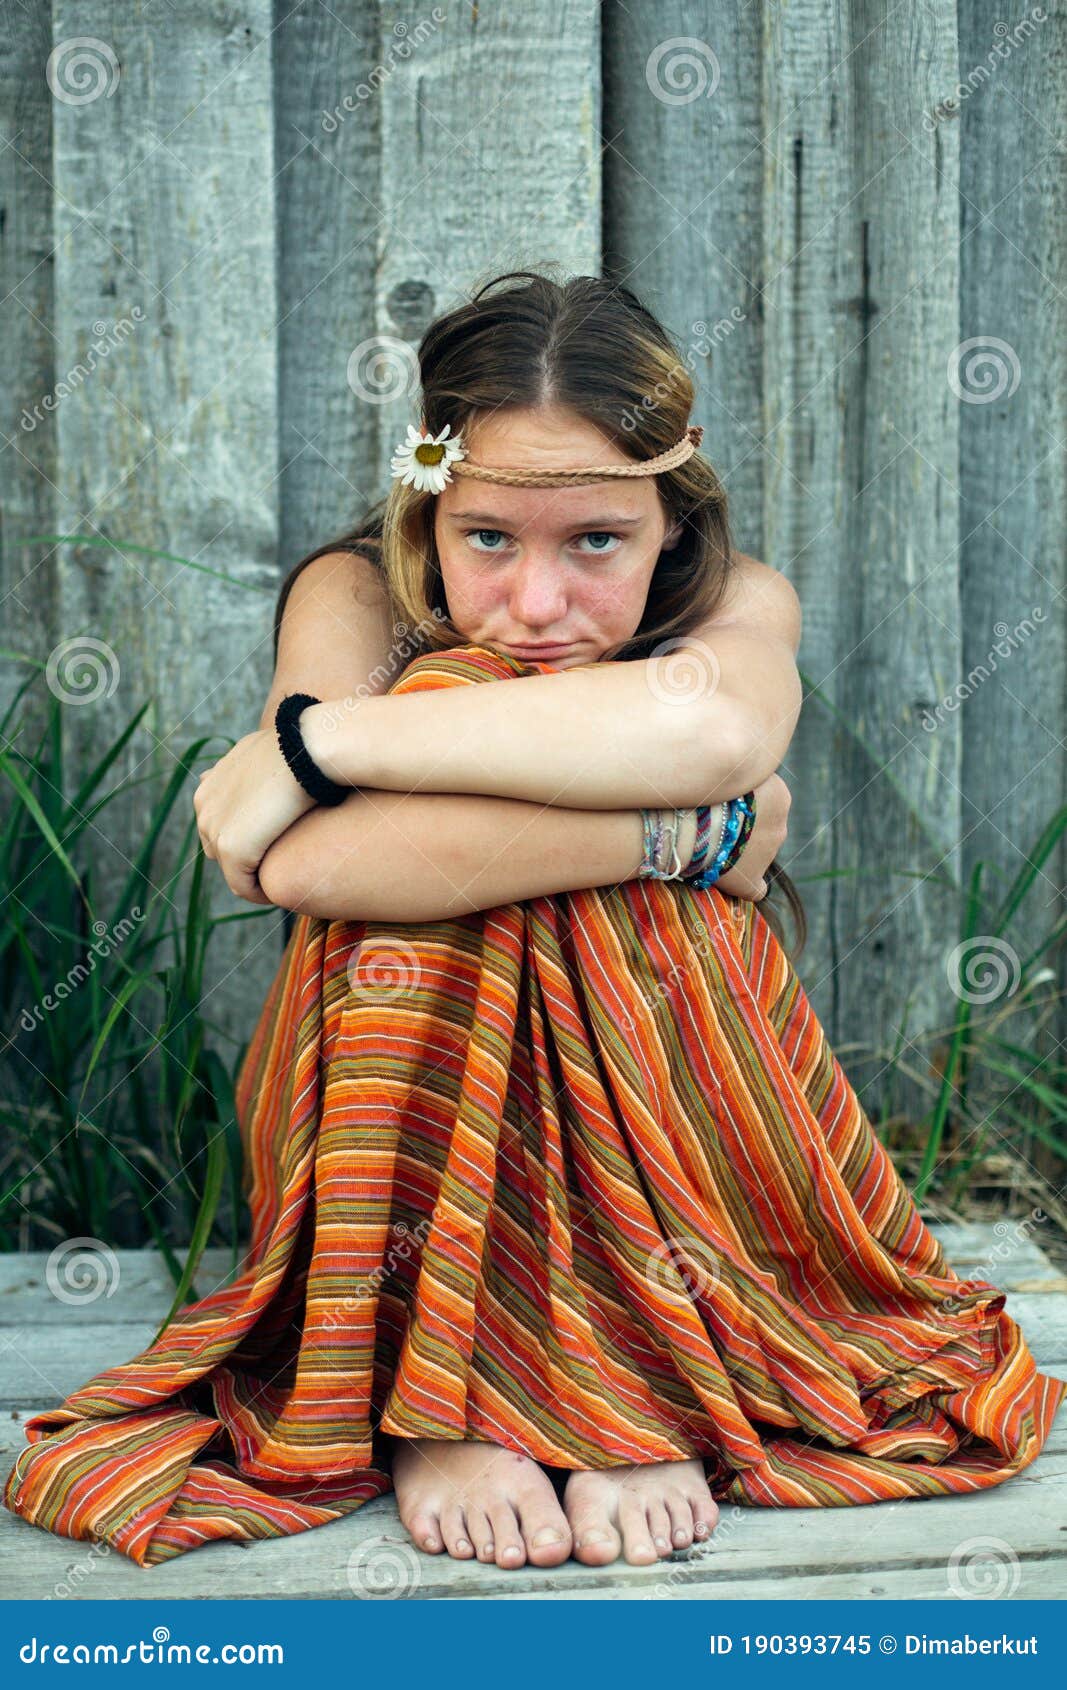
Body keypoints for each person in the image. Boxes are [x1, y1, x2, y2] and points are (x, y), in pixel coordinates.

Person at [4, 272, 1063, 1574]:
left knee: (556, 751)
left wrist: (321, 738)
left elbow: (715, 727)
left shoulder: (736, 605)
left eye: (597, 543)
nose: (539, 600)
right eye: (489, 537)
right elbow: (313, 861)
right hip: (408, 1075)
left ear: (673, 521)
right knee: (471, 715)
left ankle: (638, 1362)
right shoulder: (359, 599)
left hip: (680, 1101)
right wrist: (684, 837)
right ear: (428, 497)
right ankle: (435, 1374)